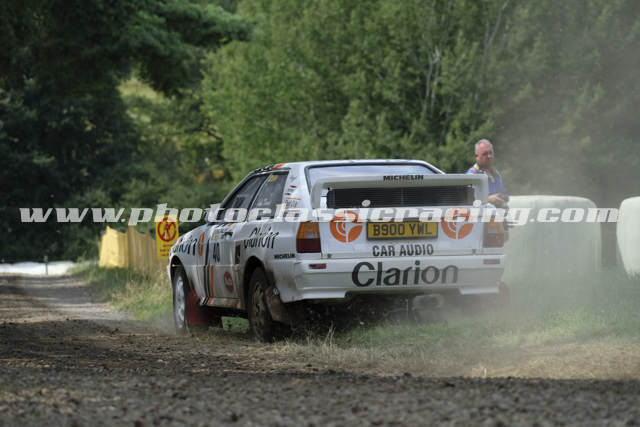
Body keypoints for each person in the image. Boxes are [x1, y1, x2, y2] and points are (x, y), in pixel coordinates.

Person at [466, 139, 508, 208]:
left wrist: (503, 197)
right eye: (485, 154)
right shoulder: (471, 176)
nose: (489, 156)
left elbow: (502, 194)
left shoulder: (495, 174)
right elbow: (467, 202)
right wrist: (488, 199)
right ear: (476, 156)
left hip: (498, 212)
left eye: (490, 153)